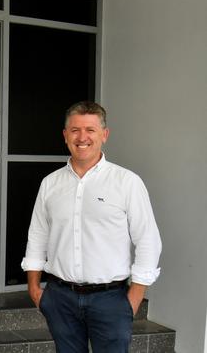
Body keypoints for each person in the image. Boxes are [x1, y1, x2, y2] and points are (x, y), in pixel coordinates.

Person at [21, 101, 162, 353]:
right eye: (75, 130)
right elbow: (38, 235)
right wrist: (34, 288)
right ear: (65, 136)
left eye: (90, 130)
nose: (82, 137)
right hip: (60, 297)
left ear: (104, 135)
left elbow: (148, 240)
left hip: (111, 300)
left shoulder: (127, 182)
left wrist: (134, 297)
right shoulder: (50, 184)